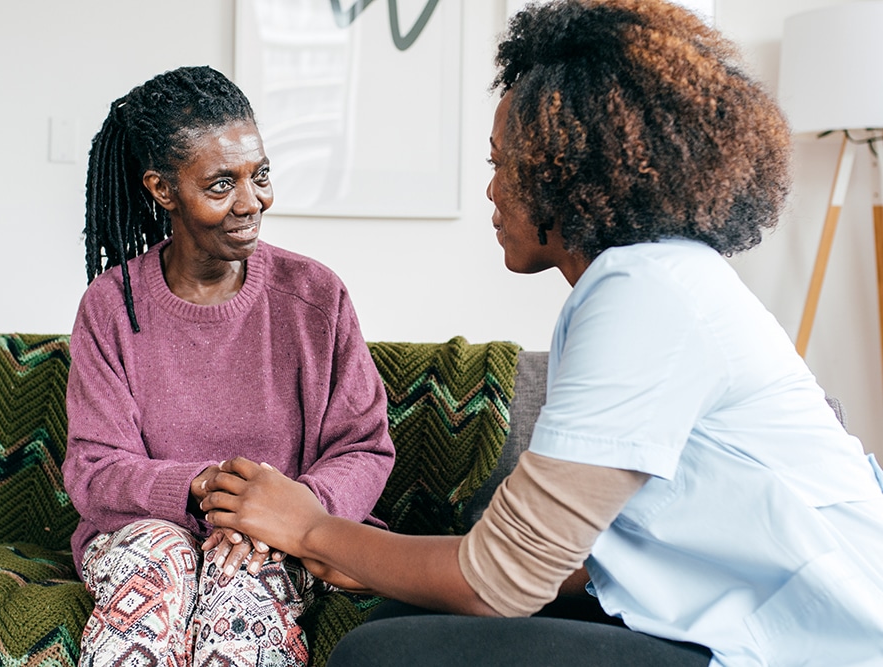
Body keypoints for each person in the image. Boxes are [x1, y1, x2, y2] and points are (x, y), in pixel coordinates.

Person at [199, 1, 883, 665]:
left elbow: (502, 579)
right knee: (405, 621)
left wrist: (312, 528)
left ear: (568, 170)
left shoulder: (645, 292)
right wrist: (371, 560)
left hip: (812, 640)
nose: (493, 191)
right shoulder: (649, 281)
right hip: (726, 617)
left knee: (386, 654)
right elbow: (565, 558)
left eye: (503, 164)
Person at [61, 65, 395, 667]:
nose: (251, 202)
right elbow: (94, 469)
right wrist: (203, 489)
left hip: (281, 536)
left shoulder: (315, 296)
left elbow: (364, 448)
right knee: (155, 574)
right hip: (147, 532)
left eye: (259, 175)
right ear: (163, 190)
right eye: (220, 186)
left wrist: (285, 511)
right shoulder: (111, 307)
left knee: (236, 589)